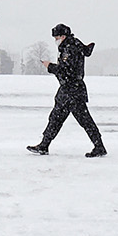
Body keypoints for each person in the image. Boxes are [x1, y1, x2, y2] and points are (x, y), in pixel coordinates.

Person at [27, 23, 107, 157]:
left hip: (72, 91)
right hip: (70, 90)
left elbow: (66, 71)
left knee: (83, 120)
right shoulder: (72, 46)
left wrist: (50, 66)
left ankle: (99, 146)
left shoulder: (70, 49)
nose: (55, 41)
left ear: (63, 36)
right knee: (56, 118)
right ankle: (44, 145)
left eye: (56, 38)